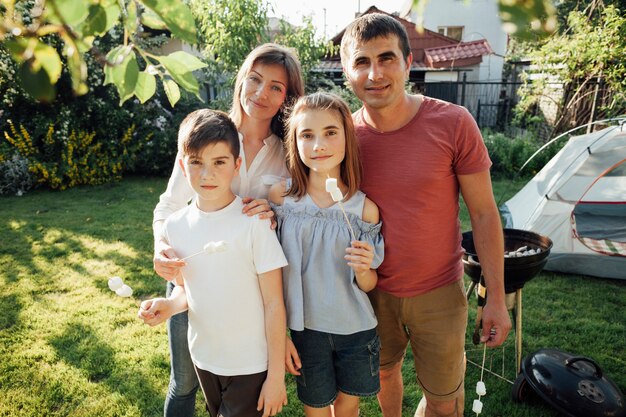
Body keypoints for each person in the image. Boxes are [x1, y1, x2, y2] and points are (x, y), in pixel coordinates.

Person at [339, 13, 512, 417]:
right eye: (362, 61)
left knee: (444, 402)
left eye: (386, 58)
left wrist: (497, 299)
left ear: (407, 63)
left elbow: (484, 214)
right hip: (370, 292)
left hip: (439, 293)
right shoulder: (341, 136)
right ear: (347, 71)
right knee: (384, 377)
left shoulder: (453, 123)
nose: (375, 73)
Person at [152, 43, 304, 416]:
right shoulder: (207, 134)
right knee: (186, 381)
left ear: (287, 96)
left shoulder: (291, 150)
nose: (261, 93)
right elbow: (169, 205)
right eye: (254, 80)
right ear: (241, 81)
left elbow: (301, 215)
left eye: (275, 87)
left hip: (254, 288)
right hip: (195, 275)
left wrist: (273, 213)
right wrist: (160, 248)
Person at [139, 109, 289, 417]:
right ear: (183, 165)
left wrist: (276, 376)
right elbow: (186, 290)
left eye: (219, 162)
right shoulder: (176, 227)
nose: (207, 174)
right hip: (204, 357)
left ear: (236, 166)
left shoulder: (254, 223)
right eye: (196, 163)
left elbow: (274, 303)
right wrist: (168, 306)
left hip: (249, 363)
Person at [269, 92, 385, 417]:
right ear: (295, 141)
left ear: (347, 137)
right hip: (307, 331)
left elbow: (369, 284)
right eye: (307, 135)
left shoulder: (364, 210)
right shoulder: (282, 199)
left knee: (348, 408)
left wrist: (364, 268)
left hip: (355, 328)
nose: (318, 144)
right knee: (316, 409)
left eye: (330, 132)